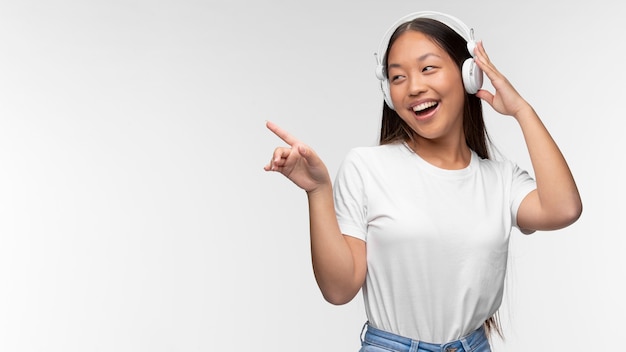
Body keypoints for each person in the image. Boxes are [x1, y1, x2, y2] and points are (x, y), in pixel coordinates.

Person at [264, 11, 582, 352]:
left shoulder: (500, 180)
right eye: (398, 77)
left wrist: (522, 110)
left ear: (469, 75)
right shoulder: (367, 167)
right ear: (387, 92)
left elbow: (563, 208)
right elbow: (339, 290)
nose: (414, 87)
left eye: (428, 68)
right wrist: (318, 191)